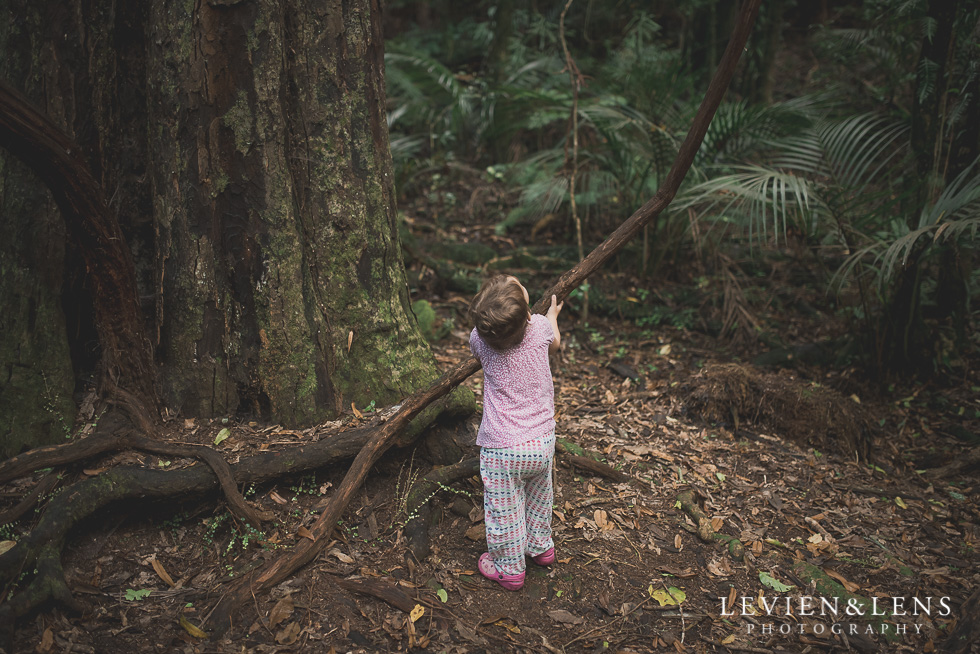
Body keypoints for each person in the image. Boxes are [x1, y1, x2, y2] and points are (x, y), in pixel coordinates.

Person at [468, 274, 562, 591]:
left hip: (503, 450)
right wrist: (551, 316)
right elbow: (556, 343)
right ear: (526, 316)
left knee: (505, 511)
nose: (516, 280)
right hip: (542, 442)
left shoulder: (479, 341)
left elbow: (494, 331)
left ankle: (509, 567)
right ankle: (541, 548)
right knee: (539, 497)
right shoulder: (540, 329)